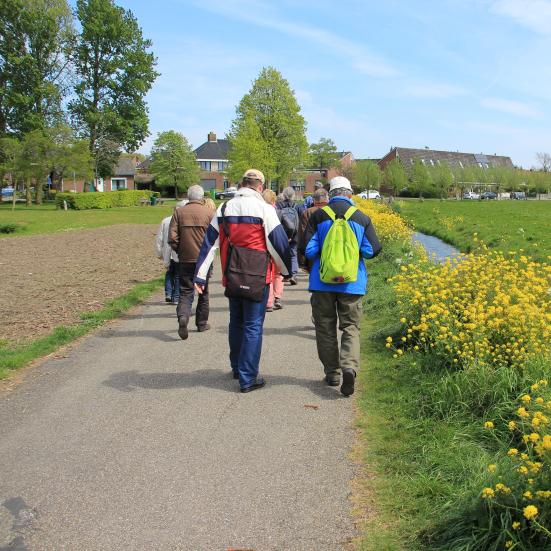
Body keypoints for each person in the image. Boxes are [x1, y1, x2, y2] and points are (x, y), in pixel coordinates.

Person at [194, 169, 292, 393]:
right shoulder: (265, 209)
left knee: (236, 322)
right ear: (260, 186)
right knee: (253, 326)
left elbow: (209, 244)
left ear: (241, 184)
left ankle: (237, 367)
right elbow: (278, 244)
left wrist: (200, 275)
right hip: (258, 276)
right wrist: (285, 272)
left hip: (232, 274)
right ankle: (248, 377)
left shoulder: (224, 208)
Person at [299, 176, 382, 397]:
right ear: (349, 194)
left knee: (324, 327)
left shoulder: (318, 216)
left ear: (330, 193)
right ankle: (349, 367)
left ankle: (333, 373)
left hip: (322, 283)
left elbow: (307, 250)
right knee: (351, 328)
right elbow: (372, 249)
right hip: (352, 284)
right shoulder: (361, 217)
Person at [168, 185, 215, 340]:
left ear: (188, 197)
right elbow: (215, 237)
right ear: (201, 197)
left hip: (185, 258)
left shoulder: (179, 213)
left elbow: (172, 238)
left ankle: (183, 316)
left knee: (186, 291)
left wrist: (180, 251)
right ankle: (201, 323)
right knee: (203, 291)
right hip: (203, 260)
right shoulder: (209, 213)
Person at [155, 205, 183, 304]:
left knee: (169, 273)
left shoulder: (166, 220)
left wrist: (159, 252)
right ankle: (176, 296)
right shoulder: (182, 221)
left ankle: (168, 293)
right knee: (178, 275)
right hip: (177, 252)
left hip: (168, 251)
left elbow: (159, 238)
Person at [262, 189, 284, 312]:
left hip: (266, 246)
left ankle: (269, 302)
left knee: (268, 275)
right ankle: (278, 298)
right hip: (278, 246)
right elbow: (290, 226)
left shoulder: (260, 212)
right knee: (278, 274)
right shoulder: (279, 212)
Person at [298, 187, 329, 271]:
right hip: (330, 251)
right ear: (327, 199)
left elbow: (302, 235)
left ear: (314, 200)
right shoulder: (332, 211)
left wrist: (302, 261)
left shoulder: (307, 212)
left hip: (312, 253)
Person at [276, 186, 299, 284]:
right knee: (293, 254)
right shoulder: (296, 206)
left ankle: (284, 275)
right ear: (293, 195)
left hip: (282, 234)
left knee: (282, 255)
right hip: (294, 234)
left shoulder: (279, 205)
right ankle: (293, 275)